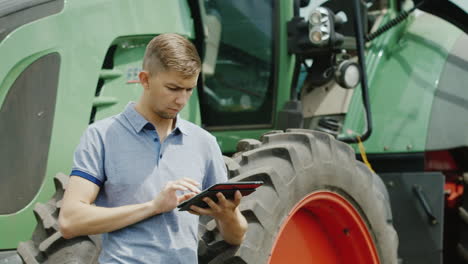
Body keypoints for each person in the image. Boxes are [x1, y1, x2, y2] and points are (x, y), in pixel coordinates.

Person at [58, 33, 248, 263]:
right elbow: (70, 221)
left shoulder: (204, 142)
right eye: (173, 88)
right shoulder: (101, 136)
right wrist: (153, 207)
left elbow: (236, 236)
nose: (181, 100)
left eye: (189, 90)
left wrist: (227, 216)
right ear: (145, 79)